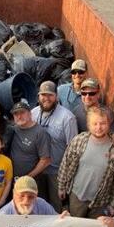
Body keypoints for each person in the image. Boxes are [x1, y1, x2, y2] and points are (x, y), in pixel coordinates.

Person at [57, 106, 114, 218]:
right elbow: (65, 164)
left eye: (103, 123)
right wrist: (61, 187)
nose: (99, 127)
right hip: (77, 196)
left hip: (101, 202)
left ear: (109, 124)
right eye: (95, 124)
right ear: (88, 125)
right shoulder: (79, 140)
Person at [31, 81, 77, 212]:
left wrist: (65, 180)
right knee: (36, 205)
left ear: (56, 96)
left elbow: (73, 151)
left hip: (56, 174)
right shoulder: (33, 113)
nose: (46, 98)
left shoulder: (68, 118)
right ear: (38, 97)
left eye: (50, 95)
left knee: (54, 208)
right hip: (38, 169)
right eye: (43, 95)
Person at [10, 100, 51, 179]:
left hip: (32, 181)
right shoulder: (12, 129)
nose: (19, 116)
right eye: (16, 114)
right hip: (12, 179)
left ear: (30, 113)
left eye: (22, 112)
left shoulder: (40, 132)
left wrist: (28, 177)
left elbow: (45, 161)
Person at [57, 59, 88, 127]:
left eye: (80, 72)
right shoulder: (61, 90)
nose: (77, 75)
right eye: (74, 72)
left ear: (86, 73)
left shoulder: (90, 94)